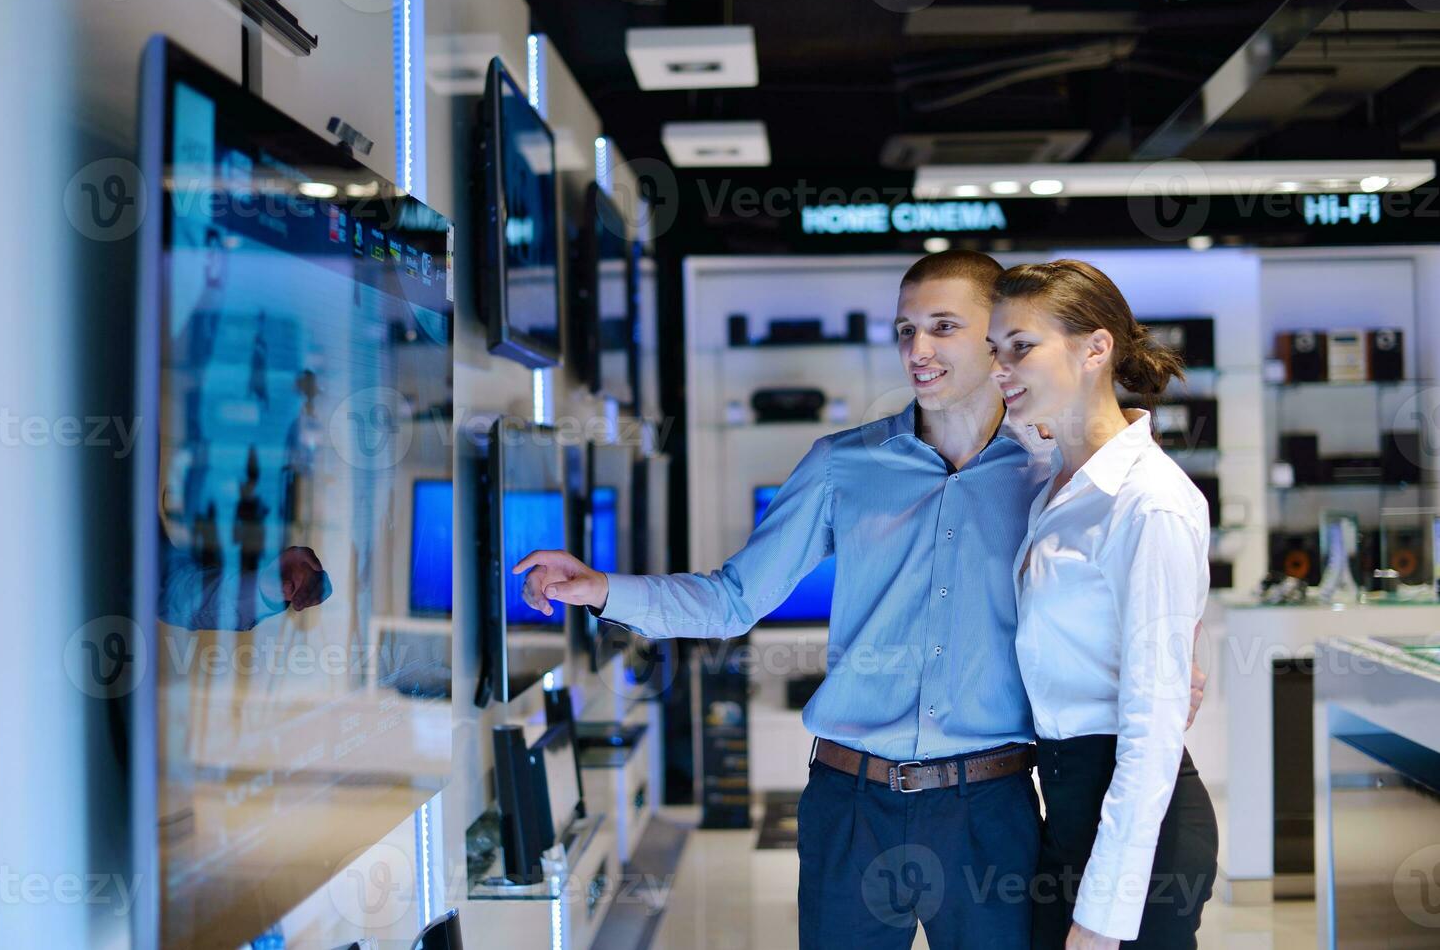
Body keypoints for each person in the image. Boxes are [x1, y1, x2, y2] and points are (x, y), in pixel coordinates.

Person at [513, 251, 1205, 949]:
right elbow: (731, 600)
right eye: (905, 330)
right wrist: (601, 588)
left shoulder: (1053, 472)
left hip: (991, 810)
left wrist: (1180, 653)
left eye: (943, 327)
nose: (918, 350)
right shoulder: (842, 464)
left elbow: (1125, 575)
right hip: (848, 804)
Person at [986, 260, 1218, 950]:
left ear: (1095, 348)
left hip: (1136, 829)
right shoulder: (1053, 478)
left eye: (1021, 347)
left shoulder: (1150, 500)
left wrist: (1101, 915)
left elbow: (1150, 724)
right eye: (994, 349)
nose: (1000, 368)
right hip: (1063, 804)